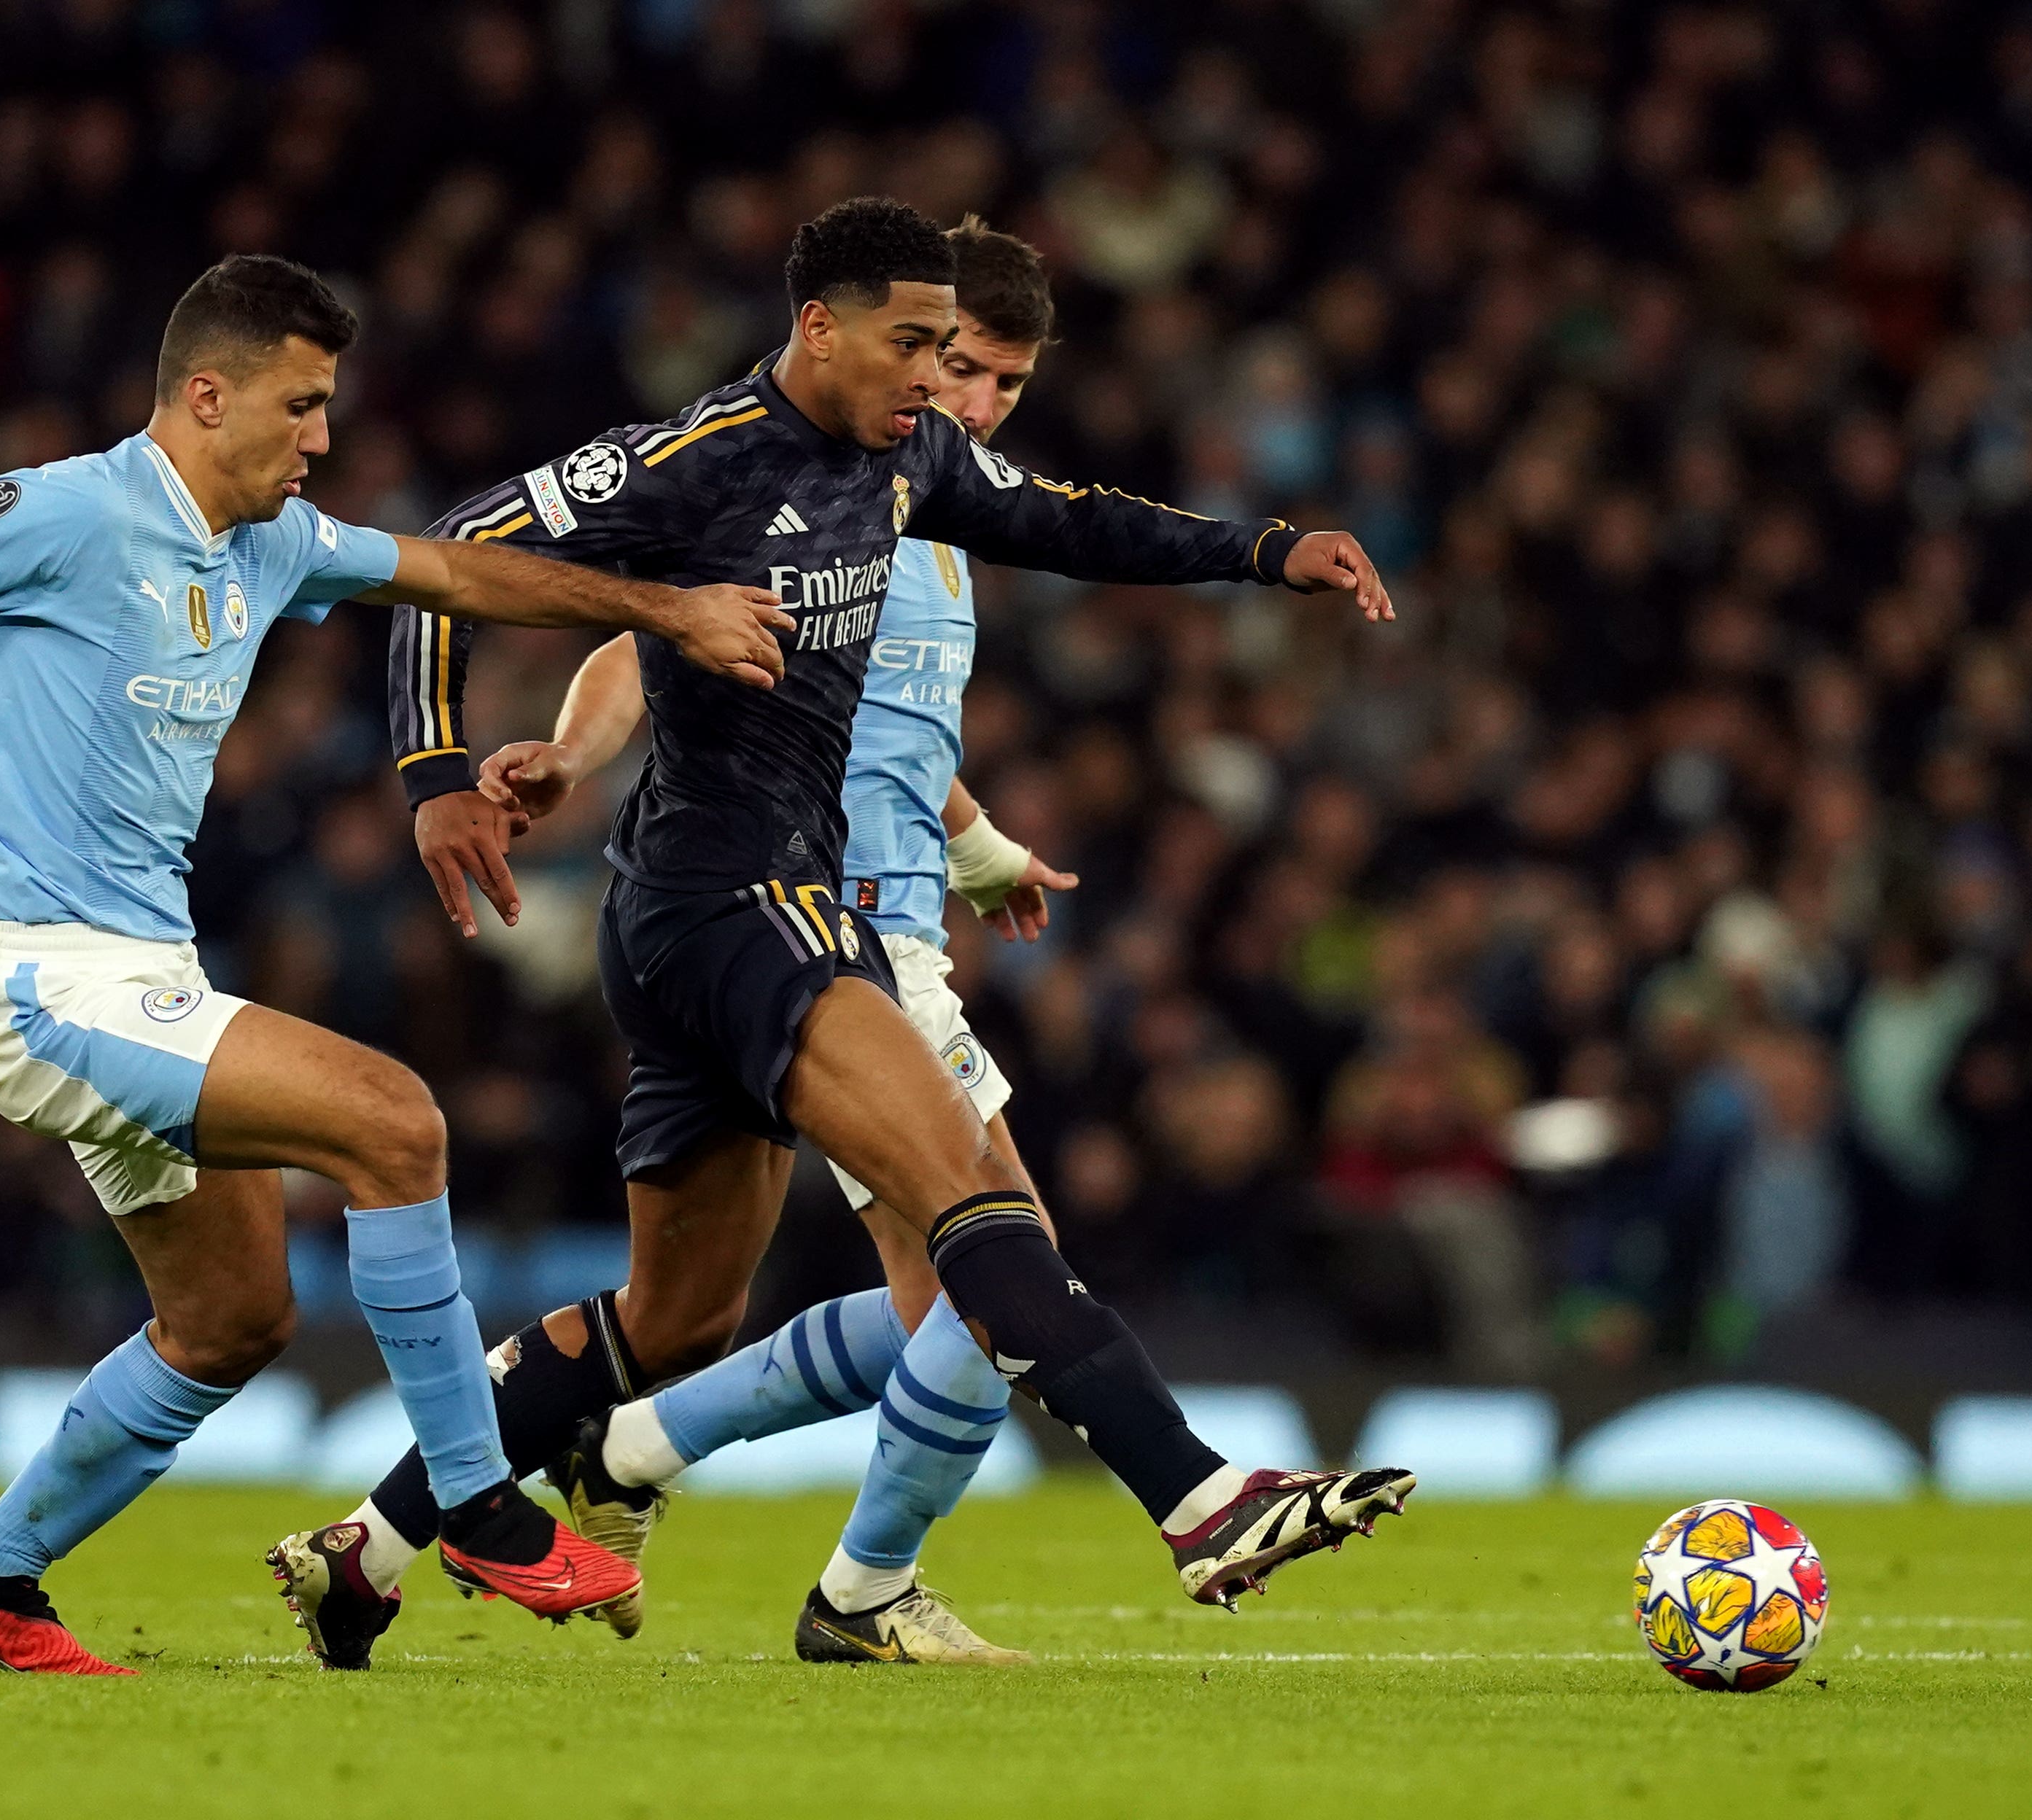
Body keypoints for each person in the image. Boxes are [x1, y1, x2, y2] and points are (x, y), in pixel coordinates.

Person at [0, 253, 794, 1676]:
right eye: (301, 406)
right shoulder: (68, 513)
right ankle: (480, 1505)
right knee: (397, 1124)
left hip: (145, 982)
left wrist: (666, 613)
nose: (322, 438)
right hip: (39, 984)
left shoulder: (275, 543)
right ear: (208, 395)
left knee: (230, 1317)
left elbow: (457, 572)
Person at [279, 199, 1411, 1671]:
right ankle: (1189, 1498)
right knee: (974, 1204)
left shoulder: (912, 462)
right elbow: (444, 550)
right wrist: (441, 771)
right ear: (819, 326)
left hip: (718, 925)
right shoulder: (694, 461)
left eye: (959, 352)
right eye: (918, 346)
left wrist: (1268, 552)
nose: (942, 381)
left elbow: (1076, 524)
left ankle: (365, 1548)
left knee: (678, 1320)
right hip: (745, 908)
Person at [470, 218, 1078, 1665]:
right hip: (820, 929)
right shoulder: (830, 480)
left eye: (1007, 383)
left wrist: (982, 846)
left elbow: (894, 729)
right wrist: (571, 755)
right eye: (960, 368)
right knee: (1001, 1286)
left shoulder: (934, 514)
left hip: (881, 920)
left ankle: (619, 1459)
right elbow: (641, 641)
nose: (978, 406)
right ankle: (858, 1586)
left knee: (782, 1305)